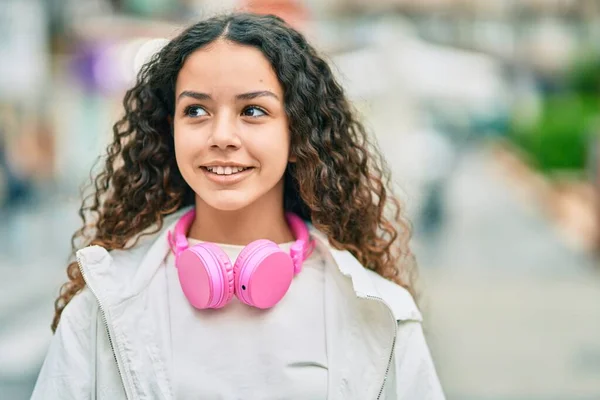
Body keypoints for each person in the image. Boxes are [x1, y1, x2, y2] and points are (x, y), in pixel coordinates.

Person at [31, 13, 445, 400]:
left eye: (253, 110)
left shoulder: (382, 313)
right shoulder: (101, 306)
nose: (222, 135)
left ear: (298, 133)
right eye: (195, 111)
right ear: (168, 130)